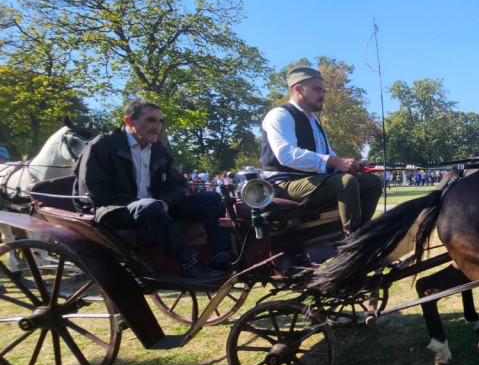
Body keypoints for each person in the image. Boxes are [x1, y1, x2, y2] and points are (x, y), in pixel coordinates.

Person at [74, 100, 231, 283]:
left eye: (160, 121)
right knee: (148, 206)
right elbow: (94, 189)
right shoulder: (103, 145)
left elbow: (178, 184)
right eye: (151, 120)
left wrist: (166, 201)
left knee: (212, 198)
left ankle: (220, 258)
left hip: (154, 208)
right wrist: (140, 203)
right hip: (111, 210)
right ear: (129, 121)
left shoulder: (157, 149)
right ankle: (190, 265)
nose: (157, 126)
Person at [260, 67, 383, 234]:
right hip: (282, 184)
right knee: (345, 182)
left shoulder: (313, 121)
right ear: (298, 89)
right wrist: (333, 162)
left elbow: (327, 155)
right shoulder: (280, 115)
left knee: (372, 182)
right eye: (317, 89)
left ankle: (363, 229)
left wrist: (353, 164)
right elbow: (286, 155)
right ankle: (352, 236)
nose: (322, 94)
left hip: (313, 180)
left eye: (324, 90)